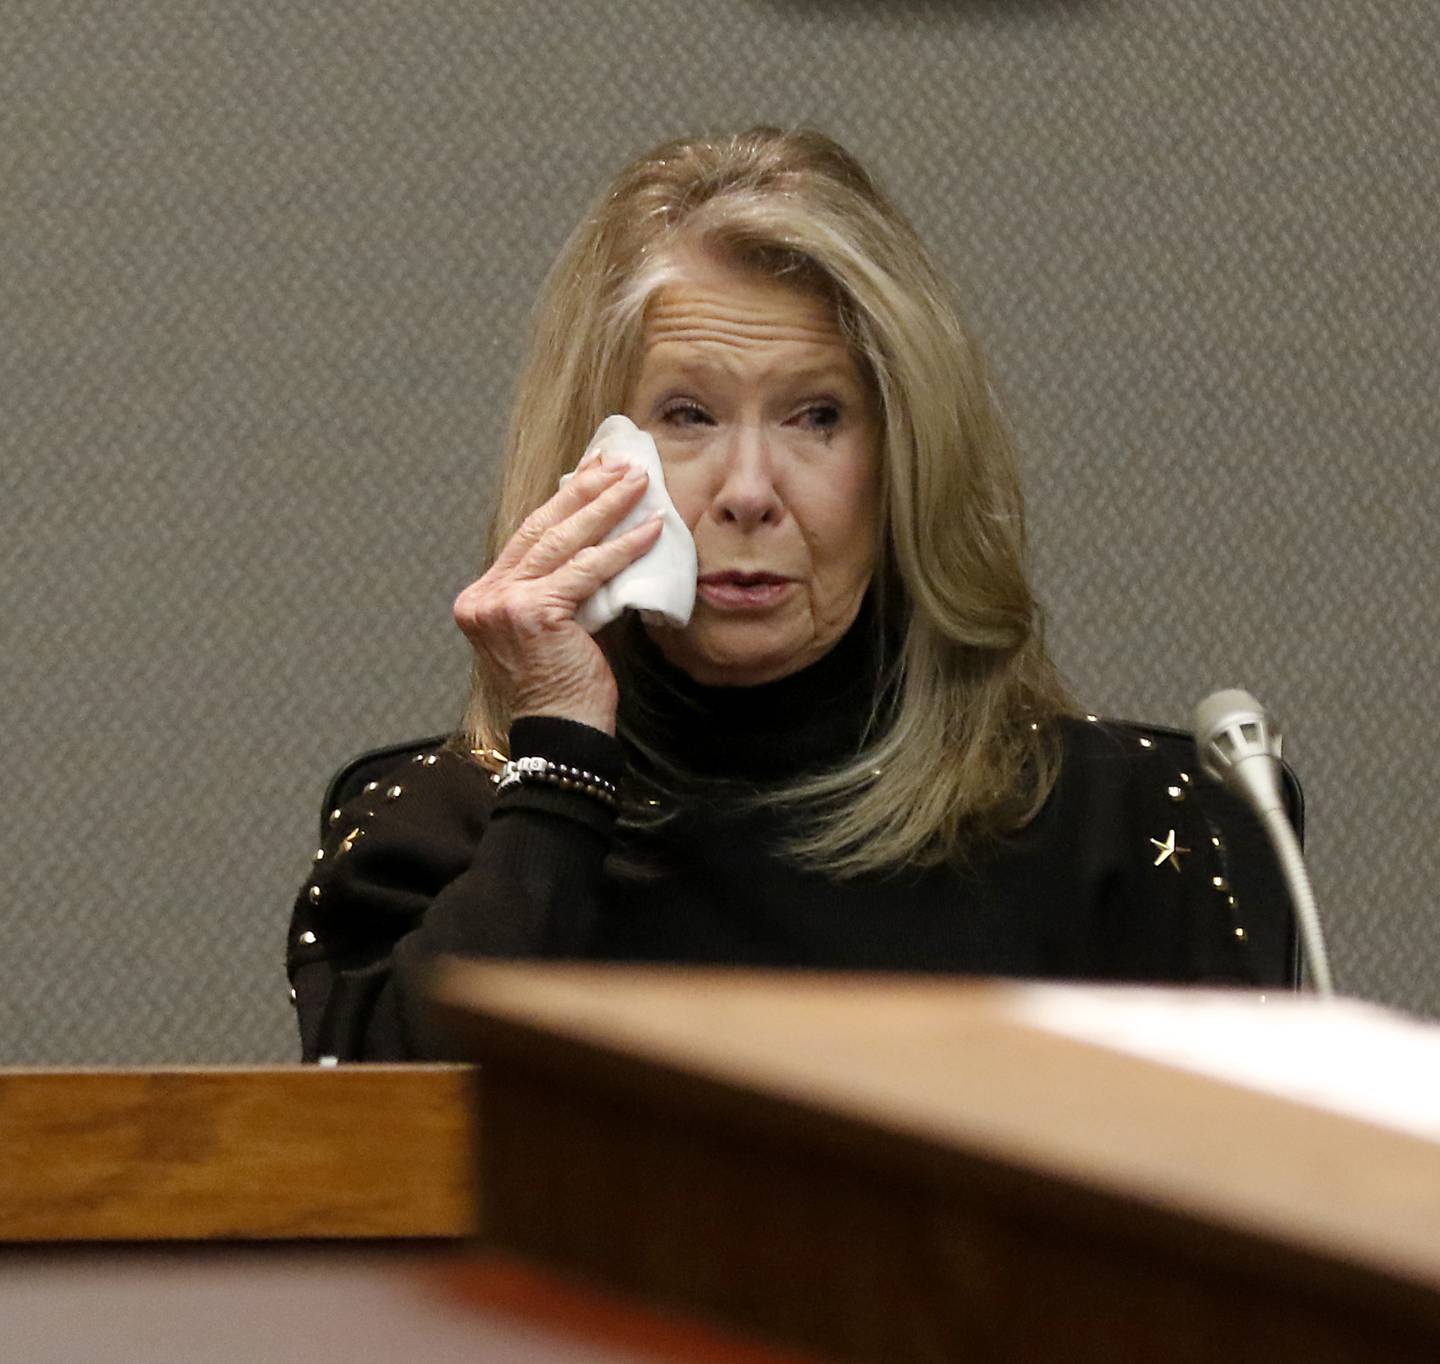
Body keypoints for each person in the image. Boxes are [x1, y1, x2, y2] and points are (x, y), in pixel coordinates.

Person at [287, 127, 1283, 1062]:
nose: (750, 491)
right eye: (689, 414)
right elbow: (378, 1168)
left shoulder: (1126, 824)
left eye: (816, 416)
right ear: (589, 453)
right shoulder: (437, 829)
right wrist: (558, 775)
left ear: (902, 457)